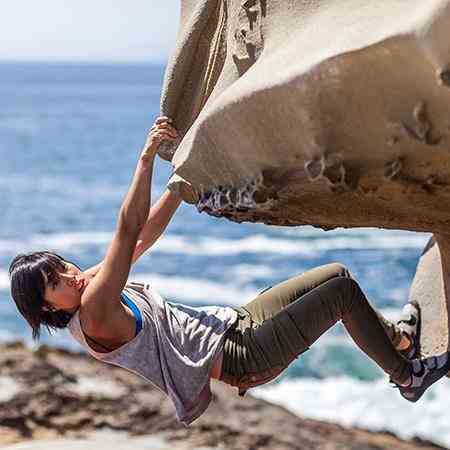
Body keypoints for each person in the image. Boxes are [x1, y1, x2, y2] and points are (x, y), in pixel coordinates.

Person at [9, 116, 450, 426]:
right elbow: (126, 232)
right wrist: (145, 161)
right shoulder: (93, 312)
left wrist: (180, 187)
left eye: (61, 266)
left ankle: (399, 341)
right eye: (55, 282)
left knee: (336, 273)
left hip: (233, 322)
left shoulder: (86, 286)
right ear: (47, 308)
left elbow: (141, 240)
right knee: (341, 296)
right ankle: (408, 377)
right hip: (243, 357)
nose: (69, 275)